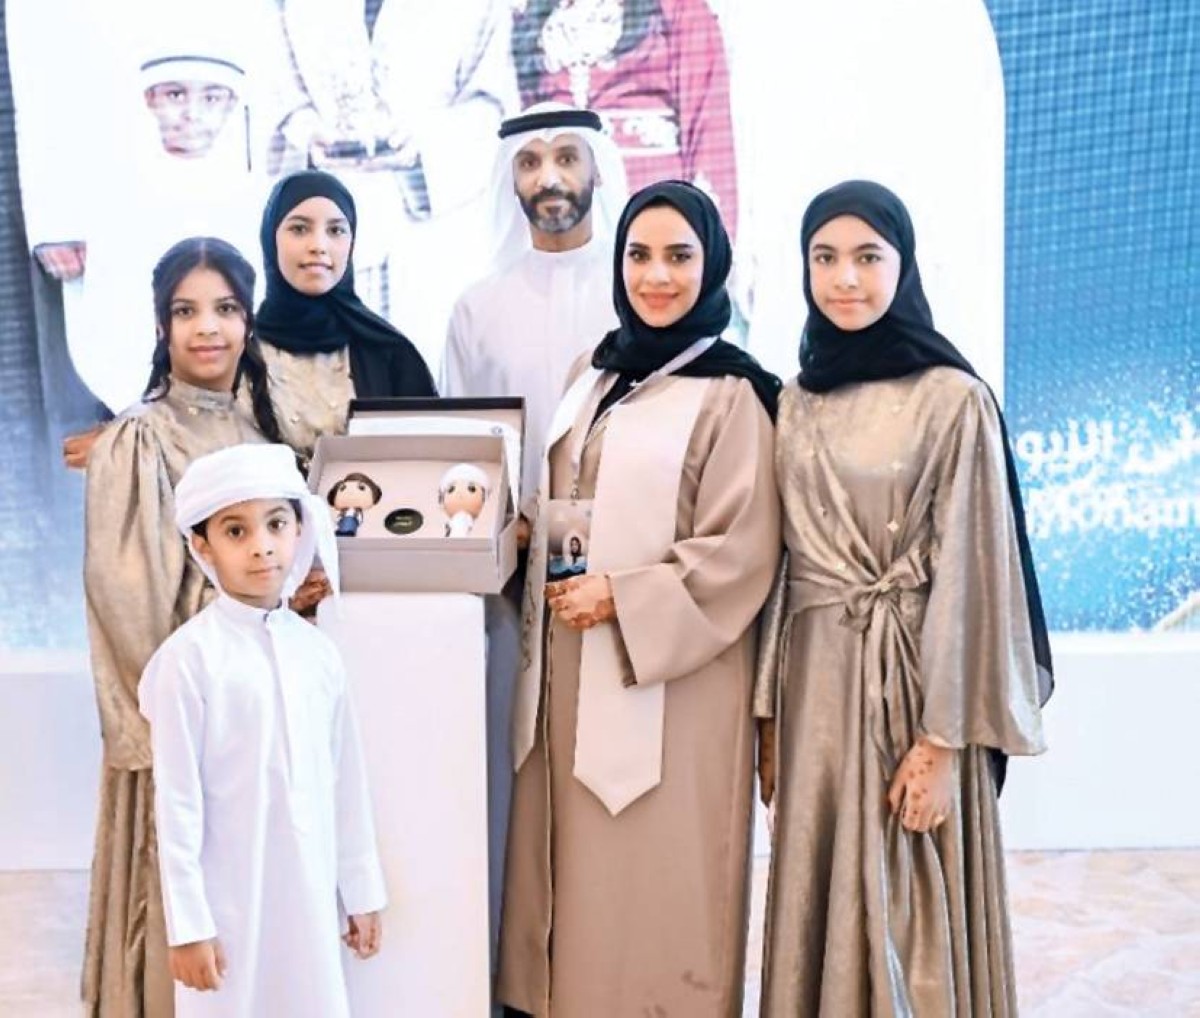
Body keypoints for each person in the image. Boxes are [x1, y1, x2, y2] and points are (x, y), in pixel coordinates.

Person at [753, 180, 1053, 1015]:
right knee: (822, 897)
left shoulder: (953, 399)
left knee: (910, 904)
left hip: (916, 690)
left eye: (867, 257)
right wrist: (769, 718)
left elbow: (974, 574)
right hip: (816, 692)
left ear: (903, 265)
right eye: (824, 258)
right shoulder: (793, 401)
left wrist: (944, 741)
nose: (844, 278)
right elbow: (784, 565)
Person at [497, 181, 782, 1016]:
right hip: (569, 671)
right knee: (573, 873)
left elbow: (739, 551)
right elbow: (568, 490)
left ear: (712, 265)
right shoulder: (594, 374)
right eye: (639, 256)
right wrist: (518, 528)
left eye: (679, 257)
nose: (657, 276)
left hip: (674, 687)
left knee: (655, 881)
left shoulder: (734, 395)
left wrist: (621, 597)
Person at [81, 237, 282, 1016]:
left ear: (248, 321)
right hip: (187, 721)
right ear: (161, 326)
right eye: (186, 310)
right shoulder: (138, 438)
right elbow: (126, 597)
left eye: (225, 308)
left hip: (259, 723)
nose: (208, 328)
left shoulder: (262, 434)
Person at [140, 442, 386, 1017]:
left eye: (276, 524)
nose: (261, 546)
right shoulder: (187, 661)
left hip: (309, 896)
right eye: (236, 531)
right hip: (228, 905)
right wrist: (189, 925)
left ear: (300, 528)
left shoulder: (318, 654)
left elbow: (346, 783)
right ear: (202, 546)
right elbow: (176, 804)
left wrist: (361, 889)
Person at [268, 0, 519, 365]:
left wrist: (422, 144)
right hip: (327, 209)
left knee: (429, 361)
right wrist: (308, 132)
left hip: (434, 217)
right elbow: (276, 88)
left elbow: (494, 105)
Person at [442, 102, 628, 516]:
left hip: (624, 530)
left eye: (567, 159)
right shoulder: (476, 308)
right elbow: (461, 444)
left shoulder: (636, 293)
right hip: (512, 536)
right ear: (511, 181)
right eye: (529, 163)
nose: (548, 179)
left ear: (597, 171)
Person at [512, 0, 738, 239]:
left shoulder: (679, 8)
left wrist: (709, 238)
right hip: (568, 215)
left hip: (653, 205)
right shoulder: (532, 13)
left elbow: (709, 128)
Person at [255, 170, 438, 465]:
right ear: (270, 238)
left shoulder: (389, 352)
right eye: (299, 229)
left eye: (336, 230)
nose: (319, 245)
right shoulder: (238, 354)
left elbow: (429, 462)